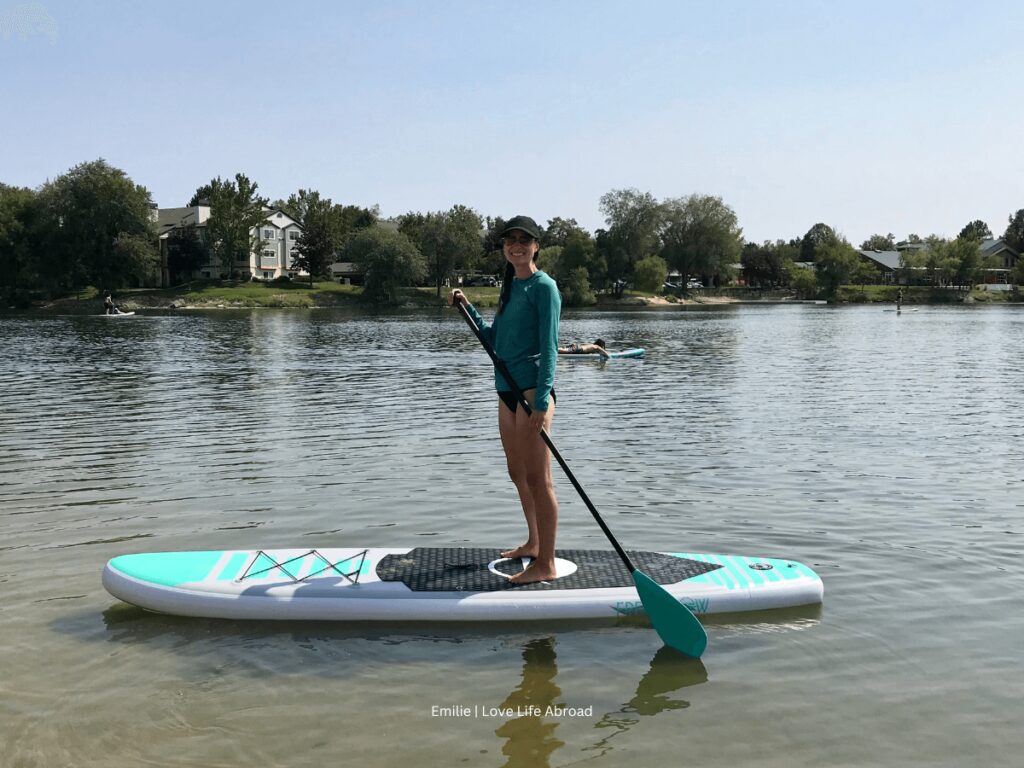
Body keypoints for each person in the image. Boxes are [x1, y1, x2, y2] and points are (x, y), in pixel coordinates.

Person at [449, 215, 561, 585]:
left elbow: (549, 348)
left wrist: (542, 401)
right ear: (504, 248)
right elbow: (493, 340)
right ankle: (533, 543)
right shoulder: (511, 287)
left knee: (538, 478)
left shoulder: (545, 288)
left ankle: (546, 562)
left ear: (535, 247)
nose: (516, 245)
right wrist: (469, 310)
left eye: (523, 240)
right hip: (505, 389)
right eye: (509, 240)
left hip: (531, 391)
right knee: (517, 473)